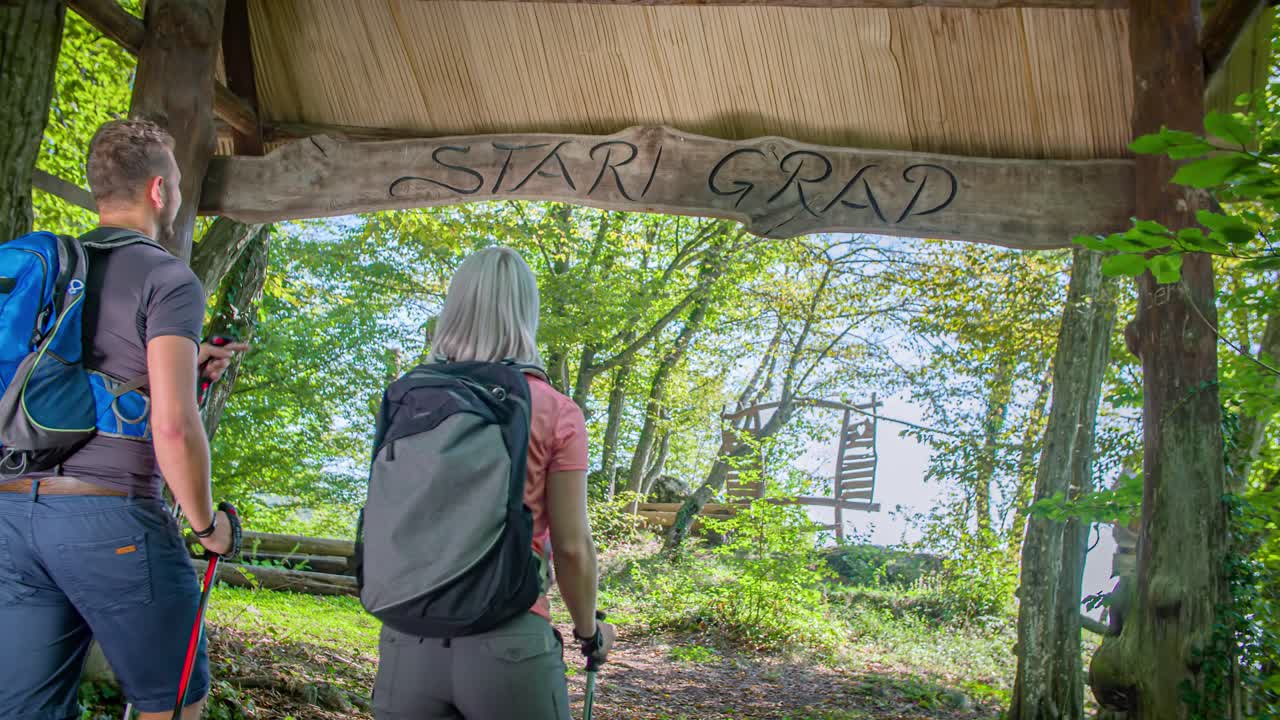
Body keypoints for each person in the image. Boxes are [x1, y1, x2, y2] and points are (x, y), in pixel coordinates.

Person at [0, 119, 247, 720]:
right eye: (180, 183)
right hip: (109, 517)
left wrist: (187, 369)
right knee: (174, 701)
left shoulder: (56, 266)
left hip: (11, 516)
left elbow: (78, 377)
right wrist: (206, 521)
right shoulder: (168, 278)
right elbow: (172, 425)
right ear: (159, 191)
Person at [372, 247, 616, 720]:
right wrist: (589, 632)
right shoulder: (554, 409)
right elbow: (571, 547)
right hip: (508, 644)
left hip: (406, 642)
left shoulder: (406, 397)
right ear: (527, 313)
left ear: (455, 308)